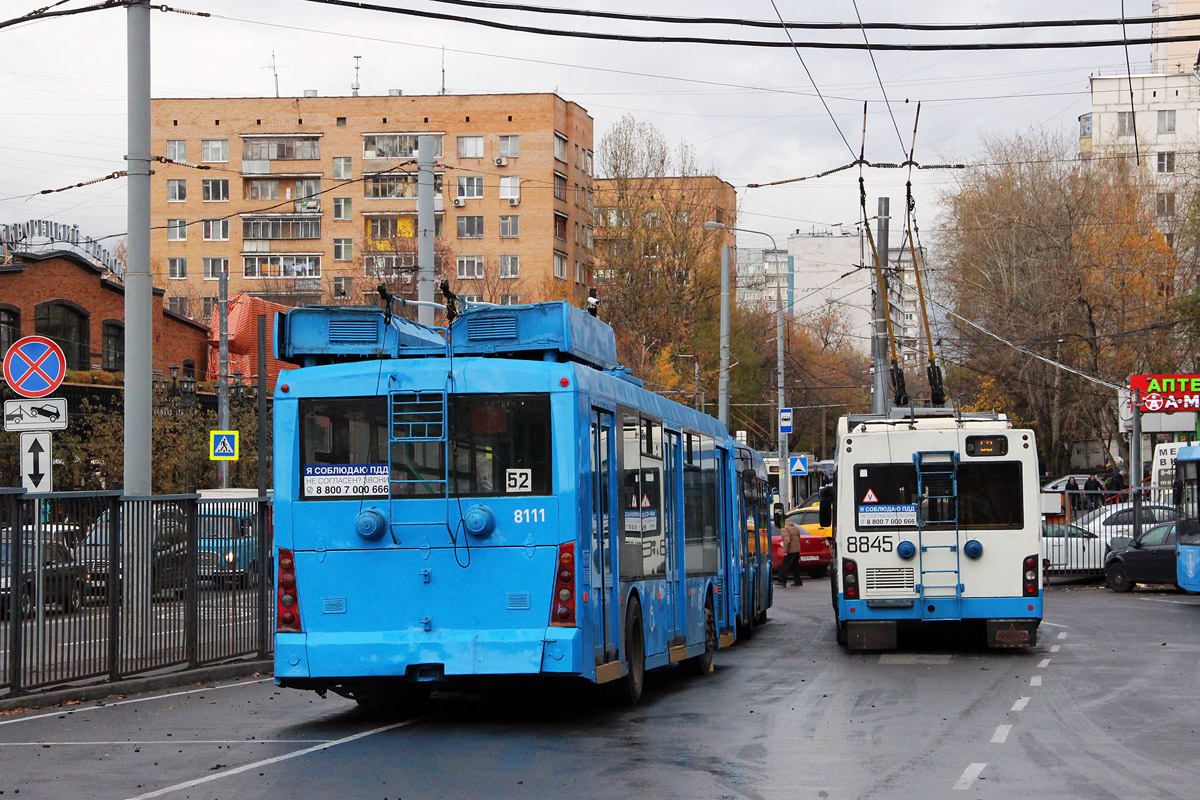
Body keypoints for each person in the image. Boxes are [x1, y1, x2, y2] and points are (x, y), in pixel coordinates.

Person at [776, 519, 804, 587]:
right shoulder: (795, 527)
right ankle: (798, 581)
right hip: (796, 549)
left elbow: (786, 541)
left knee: (785, 565)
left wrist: (785, 551)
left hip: (790, 550)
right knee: (795, 566)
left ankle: (782, 580)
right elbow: (798, 538)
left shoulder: (784, 528)